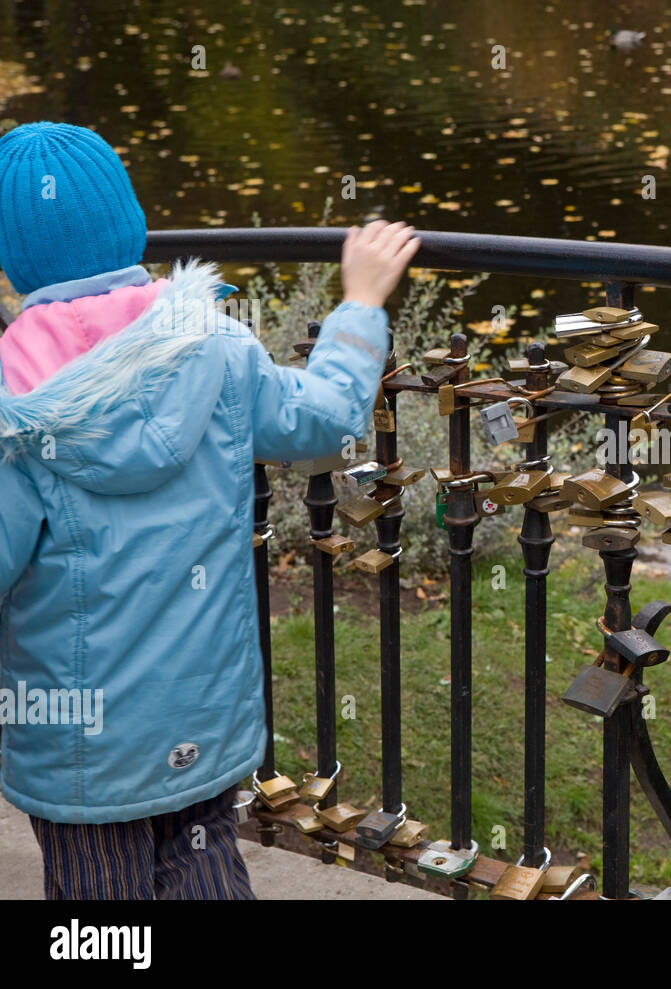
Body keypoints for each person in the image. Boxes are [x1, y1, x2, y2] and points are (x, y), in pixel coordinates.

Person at [0, 121, 420, 899]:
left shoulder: (16, 413)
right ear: (128, 221)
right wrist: (360, 303)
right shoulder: (218, 349)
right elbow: (324, 417)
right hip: (202, 718)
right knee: (203, 864)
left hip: (82, 746)